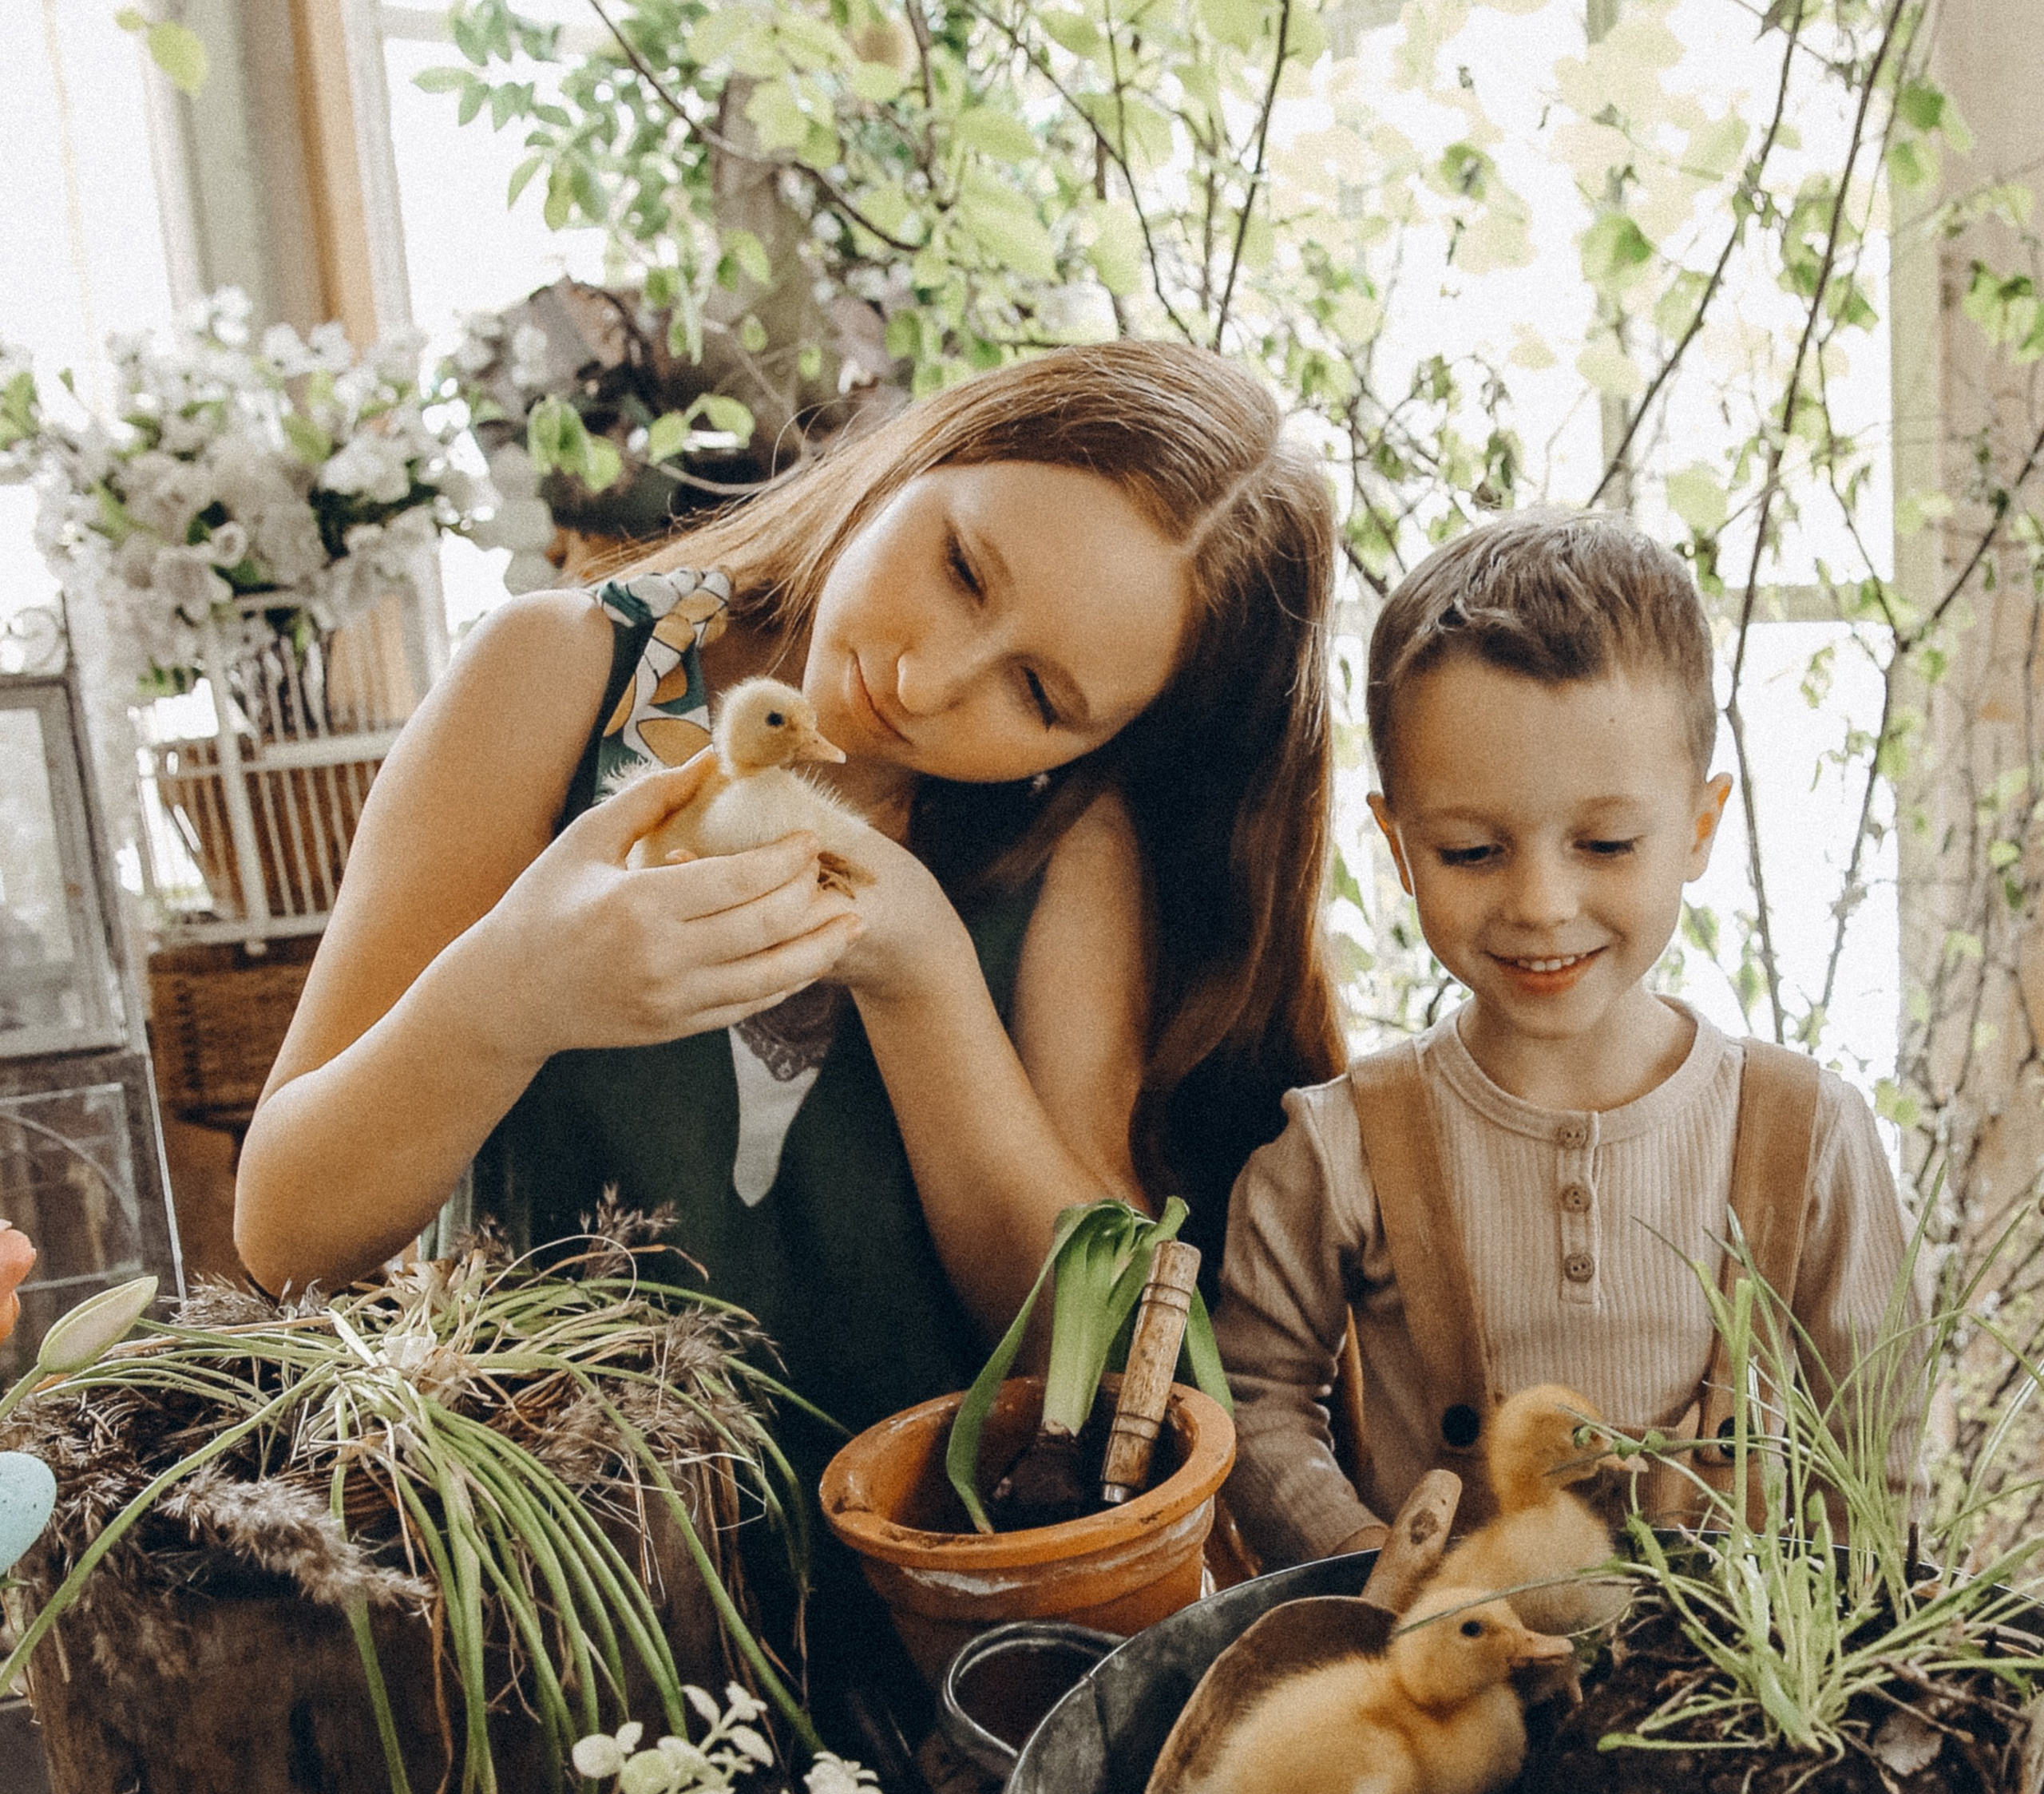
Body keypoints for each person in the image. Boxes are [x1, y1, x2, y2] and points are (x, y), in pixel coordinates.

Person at [234, 345, 1345, 1493]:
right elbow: (284, 1233)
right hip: (549, 1593)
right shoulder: (561, 677)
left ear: (1104, 741)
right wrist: (513, 993)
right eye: (962, 568)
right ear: (921, 455)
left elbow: (1096, 1360)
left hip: (912, 1608)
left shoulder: (1070, 841)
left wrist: (925, 977)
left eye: (1039, 696)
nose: (928, 679)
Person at [1213, 510, 1915, 1566]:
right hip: (1456, 1700)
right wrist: (1376, 1565)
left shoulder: (1808, 1134)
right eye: (1472, 849)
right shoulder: (1342, 1147)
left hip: (1745, 1706)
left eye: (1605, 842)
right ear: (1399, 847)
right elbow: (1257, 1407)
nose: (1542, 902)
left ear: (1699, 828)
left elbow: (1878, 1445)